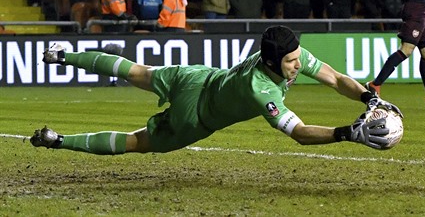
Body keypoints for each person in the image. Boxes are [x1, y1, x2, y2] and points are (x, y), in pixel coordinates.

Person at [30, 26, 402, 154]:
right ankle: (59, 140)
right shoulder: (262, 91)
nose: (298, 65)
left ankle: (64, 55)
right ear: (271, 63)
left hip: (197, 77)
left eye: (297, 58)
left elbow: (336, 79)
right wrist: (346, 134)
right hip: (196, 117)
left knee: (136, 71)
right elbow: (301, 134)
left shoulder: (286, 54)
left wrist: (368, 97)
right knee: (137, 143)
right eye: (290, 62)